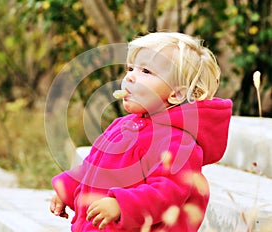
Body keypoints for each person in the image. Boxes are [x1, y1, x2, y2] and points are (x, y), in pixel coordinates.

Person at [50, 32, 232, 231]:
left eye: (145, 71)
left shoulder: (178, 141)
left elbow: (167, 192)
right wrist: (66, 187)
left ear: (176, 94)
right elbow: (93, 167)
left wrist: (122, 204)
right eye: (130, 68)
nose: (130, 76)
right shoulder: (121, 125)